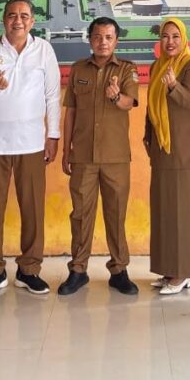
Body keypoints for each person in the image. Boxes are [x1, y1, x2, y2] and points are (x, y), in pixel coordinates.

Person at [0, 0, 61, 297]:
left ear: (32, 21)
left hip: (32, 141)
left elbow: (53, 95)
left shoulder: (44, 50)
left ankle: (29, 270)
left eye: (24, 15)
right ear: (4, 20)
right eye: (12, 15)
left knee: (32, 207)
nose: (18, 21)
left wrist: (53, 135)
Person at [59, 17, 140, 296]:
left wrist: (116, 97)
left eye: (108, 37)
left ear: (116, 40)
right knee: (81, 214)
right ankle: (78, 270)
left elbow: (129, 103)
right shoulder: (79, 69)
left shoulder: (127, 69)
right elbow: (70, 111)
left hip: (115, 157)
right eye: (97, 36)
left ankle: (119, 270)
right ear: (90, 39)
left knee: (115, 214)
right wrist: (66, 150)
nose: (102, 42)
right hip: (83, 156)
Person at [144, 18, 190, 295]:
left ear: (184, 39)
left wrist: (173, 86)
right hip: (162, 149)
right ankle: (169, 269)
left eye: (175, 36)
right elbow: (151, 106)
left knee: (184, 214)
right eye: (165, 36)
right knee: (165, 211)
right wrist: (148, 136)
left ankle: (183, 273)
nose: (170, 42)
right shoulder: (157, 66)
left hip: (184, 152)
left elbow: (189, 102)